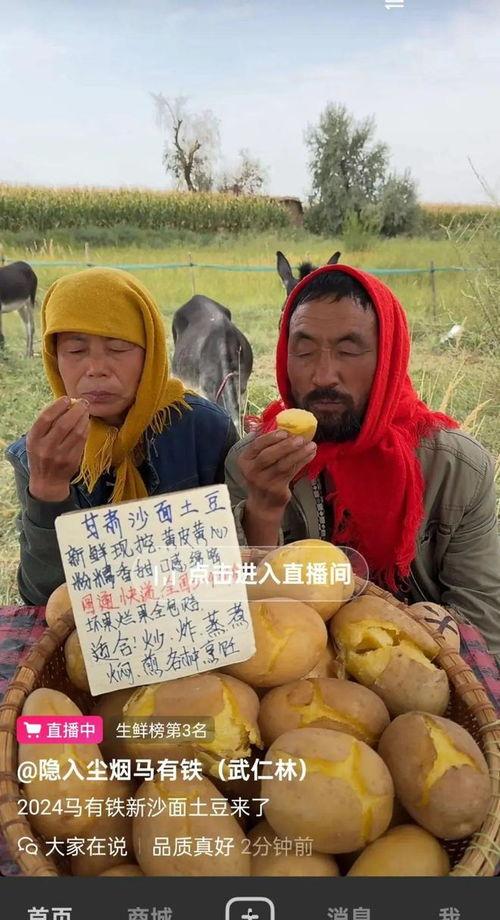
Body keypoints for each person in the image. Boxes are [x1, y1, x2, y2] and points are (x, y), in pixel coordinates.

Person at [225, 263, 500, 666]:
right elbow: (245, 620)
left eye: (349, 350)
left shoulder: (457, 469)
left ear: (388, 356)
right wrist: (262, 511)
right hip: (297, 674)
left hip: (421, 671)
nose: (323, 376)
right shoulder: (253, 462)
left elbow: (483, 626)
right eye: (304, 351)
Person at [5, 267, 238, 606]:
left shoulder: (205, 430)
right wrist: (48, 488)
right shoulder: (39, 453)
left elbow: (240, 558)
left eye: (117, 348)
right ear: (54, 358)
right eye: (75, 351)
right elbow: (41, 599)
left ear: (151, 352)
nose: (96, 369)